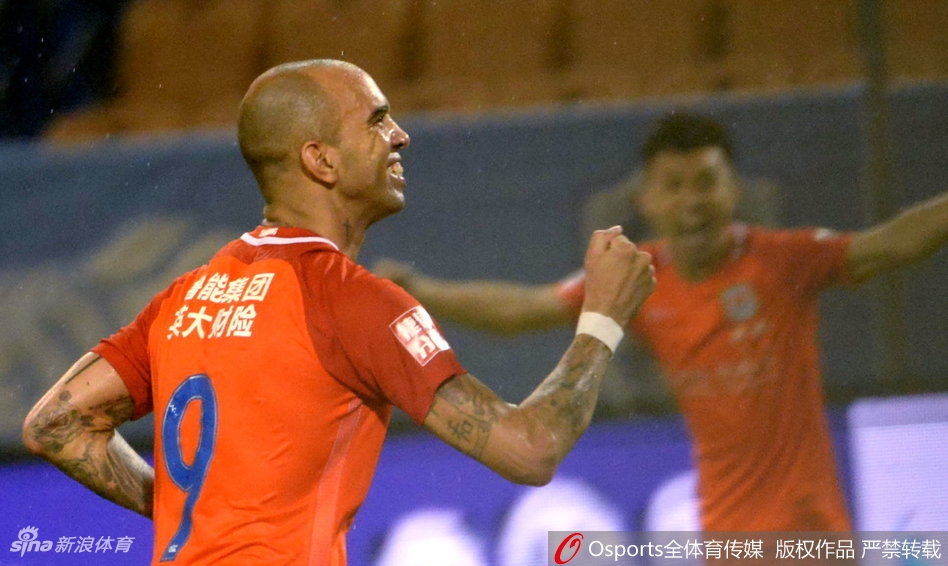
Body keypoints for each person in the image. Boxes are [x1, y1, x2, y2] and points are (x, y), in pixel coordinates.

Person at [21, 59, 656, 565]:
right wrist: (603, 318)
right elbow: (531, 450)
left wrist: (189, 514)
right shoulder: (351, 301)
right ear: (319, 159)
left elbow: (54, 424)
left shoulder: (184, 296)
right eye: (377, 120)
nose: (401, 135)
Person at [373, 112, 948, 532]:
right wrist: (423, 291)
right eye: (674, 186)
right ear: (647, 200)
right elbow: (525, 310)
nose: (692, 201)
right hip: (727, 538)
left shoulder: (784, 262)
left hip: (814, 535)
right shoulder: (640, 278)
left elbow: (889, 245)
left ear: (733, 190)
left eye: (706, 182)